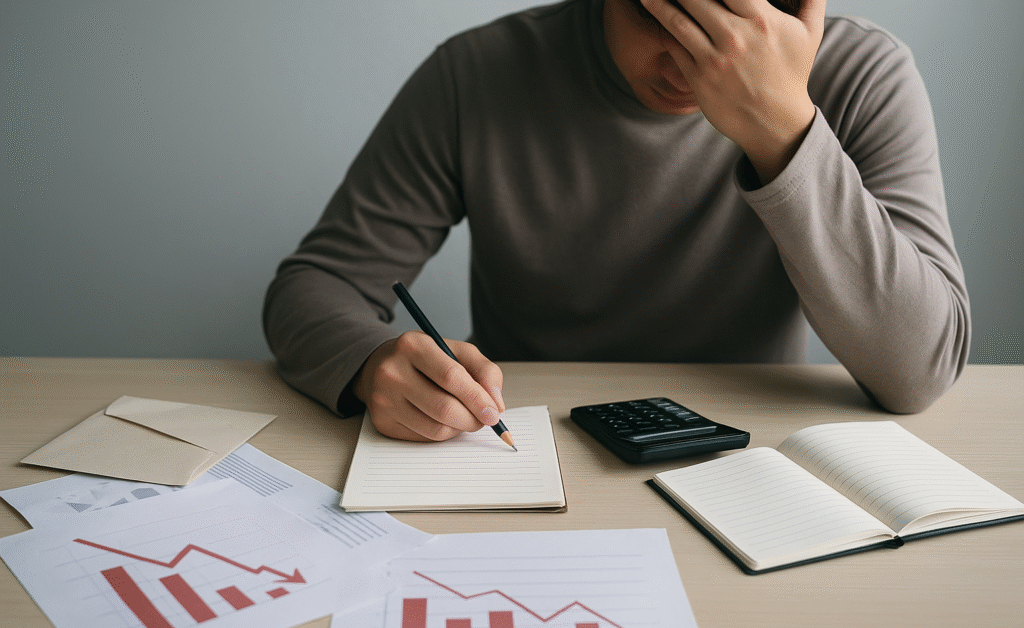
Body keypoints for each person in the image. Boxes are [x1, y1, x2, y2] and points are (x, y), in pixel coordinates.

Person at [263, 0, 971, 443]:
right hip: (528, 447)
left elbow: (920, 372)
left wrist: (785, 128)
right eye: (657, 15)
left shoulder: (861, 75)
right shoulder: (479, 73)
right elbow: (318, 283)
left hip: (753, 452)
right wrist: (368, 363)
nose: (694, 64)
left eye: (733, 24)